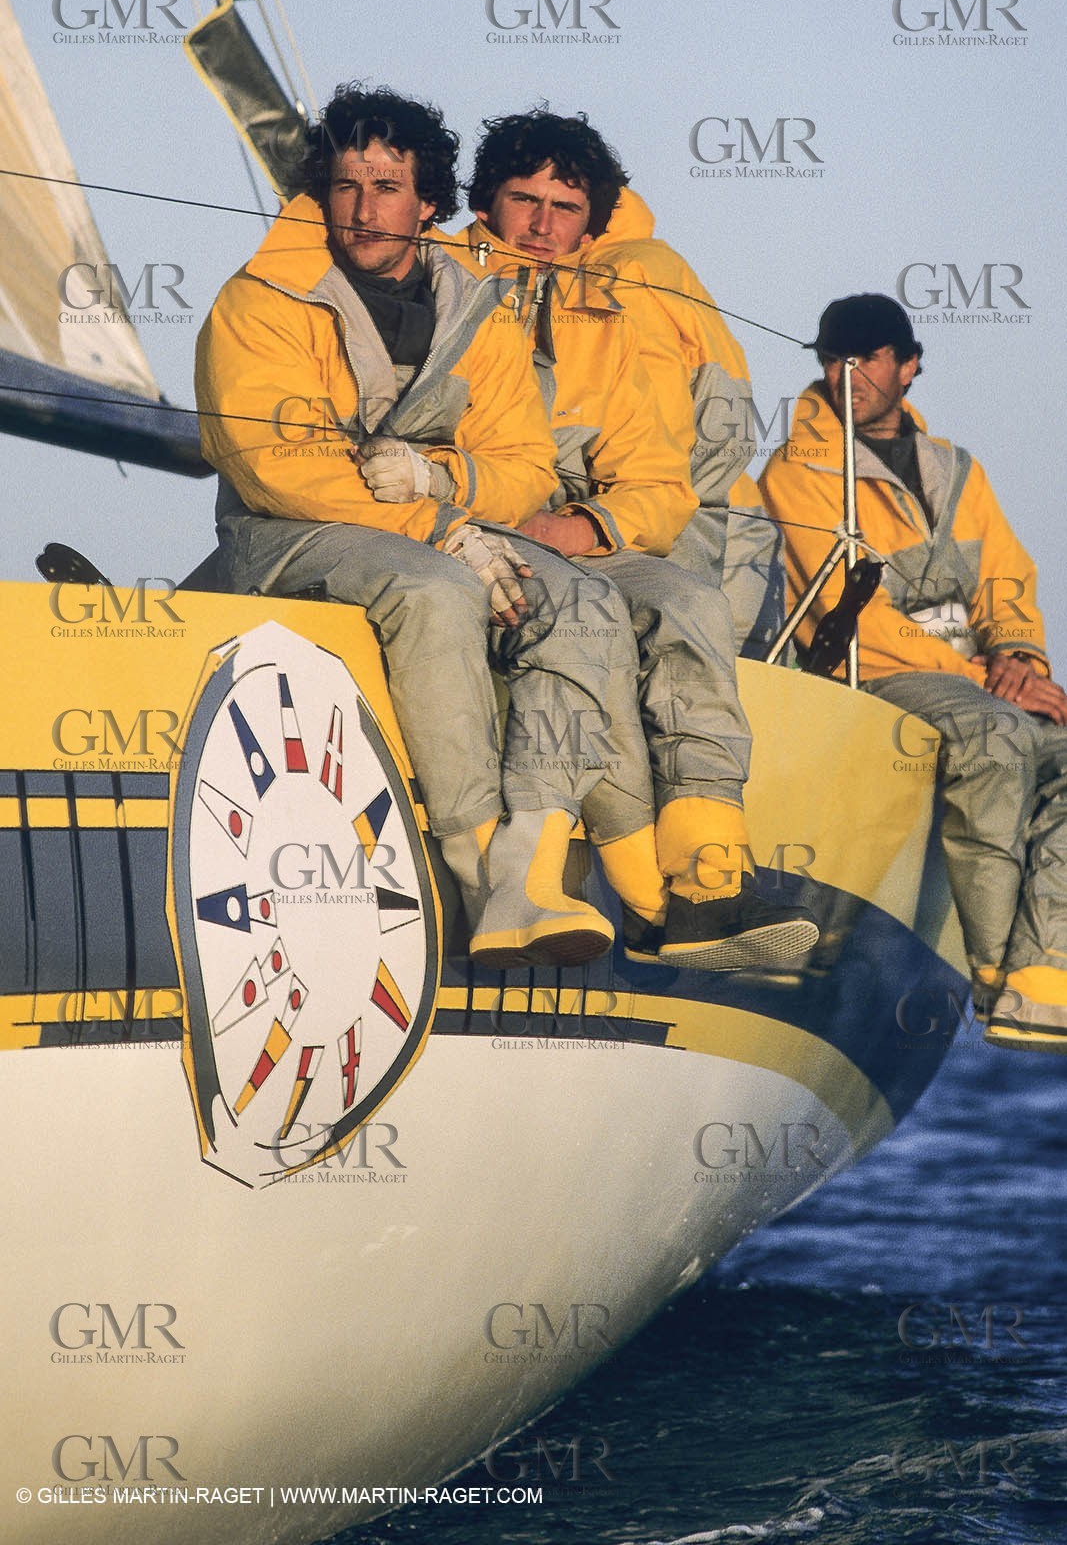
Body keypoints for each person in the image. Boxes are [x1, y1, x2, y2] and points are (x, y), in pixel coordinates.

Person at [195, 84, 659, 969]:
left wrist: (443, 485)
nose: (365, 211)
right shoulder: (260, 299)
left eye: (387, 188)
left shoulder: (473, 304)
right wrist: (437, 527)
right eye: (345, 186)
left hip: (436, 518)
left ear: (430, 202)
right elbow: (274, 466)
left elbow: (524, 462)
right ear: (320, 194)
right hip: (284, 528)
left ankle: (534, 862)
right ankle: (478, 866)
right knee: (437, 591)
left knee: (585, 599)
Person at [410, 109, 819, 971]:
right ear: (486, 201)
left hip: (575, 530)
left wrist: (591, 521)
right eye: (524, 200)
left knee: (689, 600)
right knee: (594, 623)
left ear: (594, 218)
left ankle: (709, 879)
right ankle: (640, 900)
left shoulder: (602, 308)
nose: (544, 224)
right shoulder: (435, 278)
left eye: (566, 206)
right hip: (461, 517)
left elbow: (660, 478)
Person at [759, 293, 1067, 1049]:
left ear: (909, 366)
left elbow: (1004, 578)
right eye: (834, 357)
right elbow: (846, 608)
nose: (848, 372)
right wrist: (985, 680)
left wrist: (1021, 658)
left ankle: (1041, 974)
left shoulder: (957, 467)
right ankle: (994, 979)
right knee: (996, 739)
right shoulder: (794, 472)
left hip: (974, 677)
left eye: (866, 357)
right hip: (877, 676)